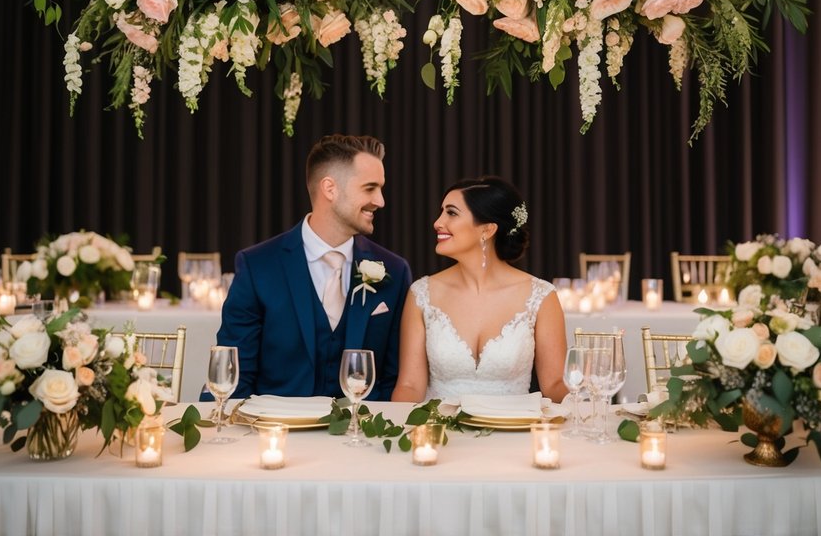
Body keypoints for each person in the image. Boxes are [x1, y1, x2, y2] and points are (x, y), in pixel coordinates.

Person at [212, 134, 411, 401]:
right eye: (370, 188)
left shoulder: (395, 271)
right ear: (330, 188)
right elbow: (235, 373)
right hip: (278, 433)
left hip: (361, 435)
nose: (380, 200)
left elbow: (393, 377)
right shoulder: (258, 265)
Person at [392, 176, 567, 402]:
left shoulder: (542, 296)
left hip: (514, 433)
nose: (437, 222)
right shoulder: (421, 293)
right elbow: (409, 386)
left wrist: (589, 407)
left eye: (451, 213)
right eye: (441, 211)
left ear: (487, 230)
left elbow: (554, 385)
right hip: (441, 433)